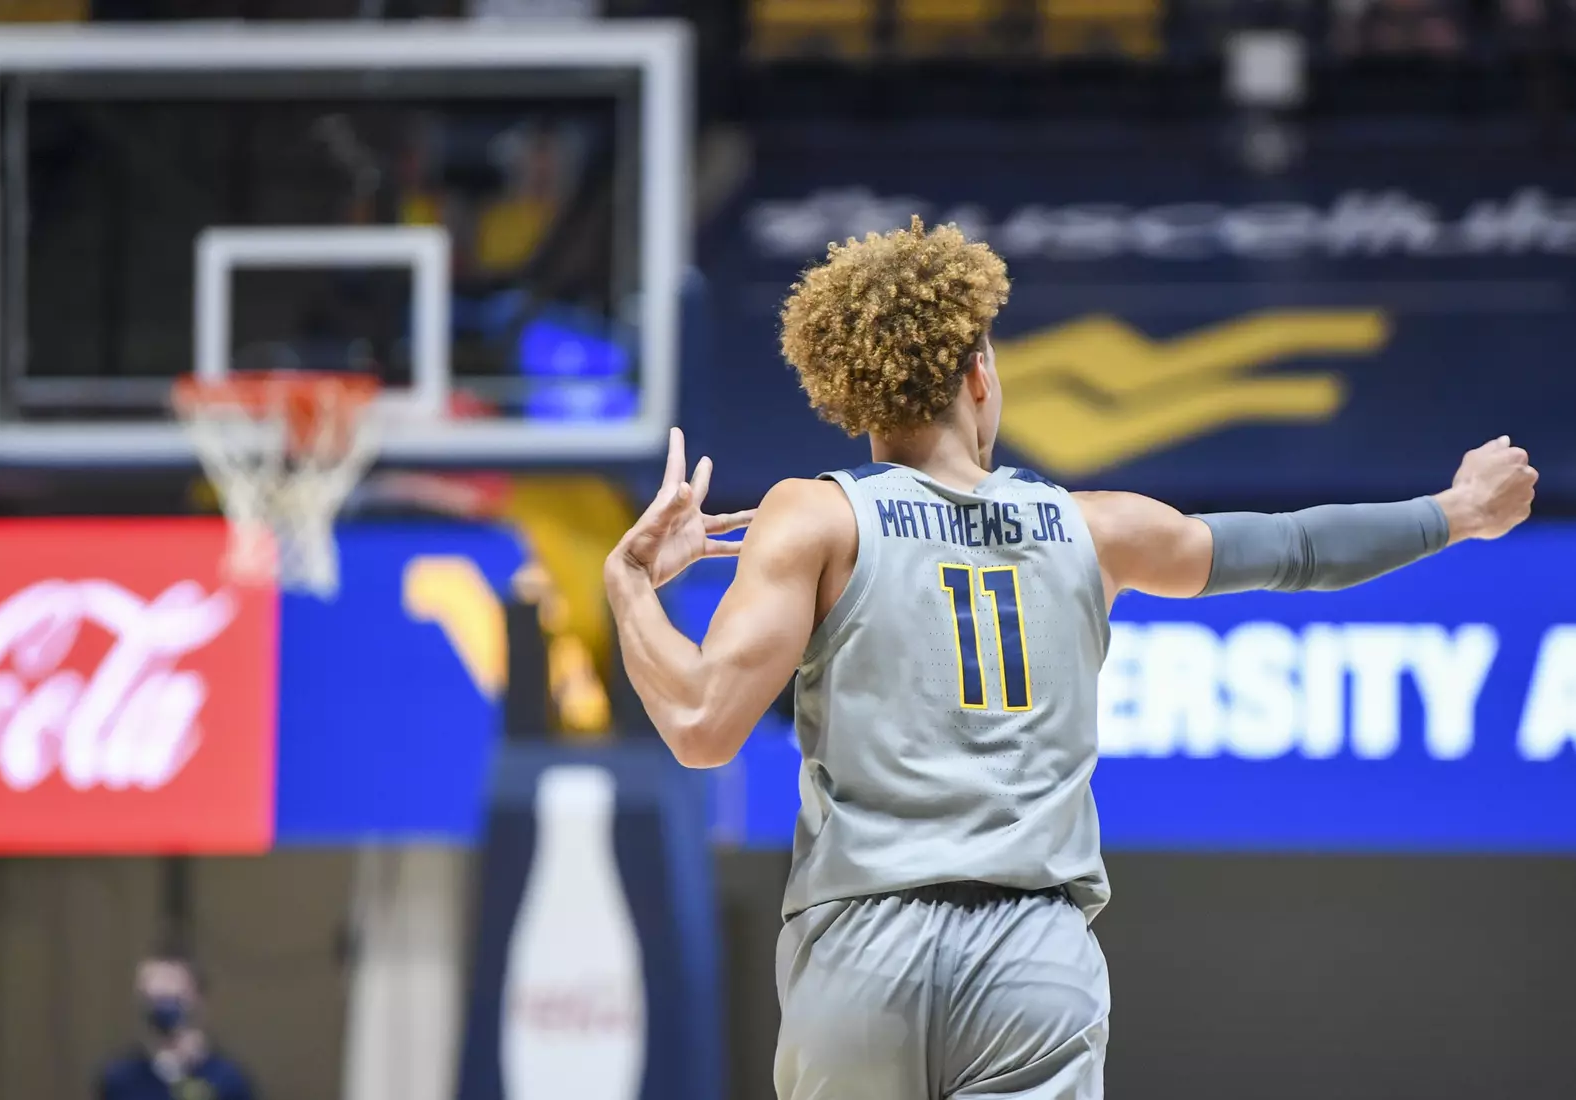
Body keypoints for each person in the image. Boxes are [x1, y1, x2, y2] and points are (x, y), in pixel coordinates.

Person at [603, 216, 1537, 1099]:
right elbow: (1295, 548)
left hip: (861, 951)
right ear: (978, 374)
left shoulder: (815, 515)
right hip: (1033, 958)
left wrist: (631, 583)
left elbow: (700, 726)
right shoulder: (1097, 528)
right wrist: (1455, 513)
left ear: (854, 392)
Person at [99, 951, 256, 1100]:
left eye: (172, 998)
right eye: (152, 998)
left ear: (198, 1000)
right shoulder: (120, 1079)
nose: (161, 1009)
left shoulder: (227, 1080)